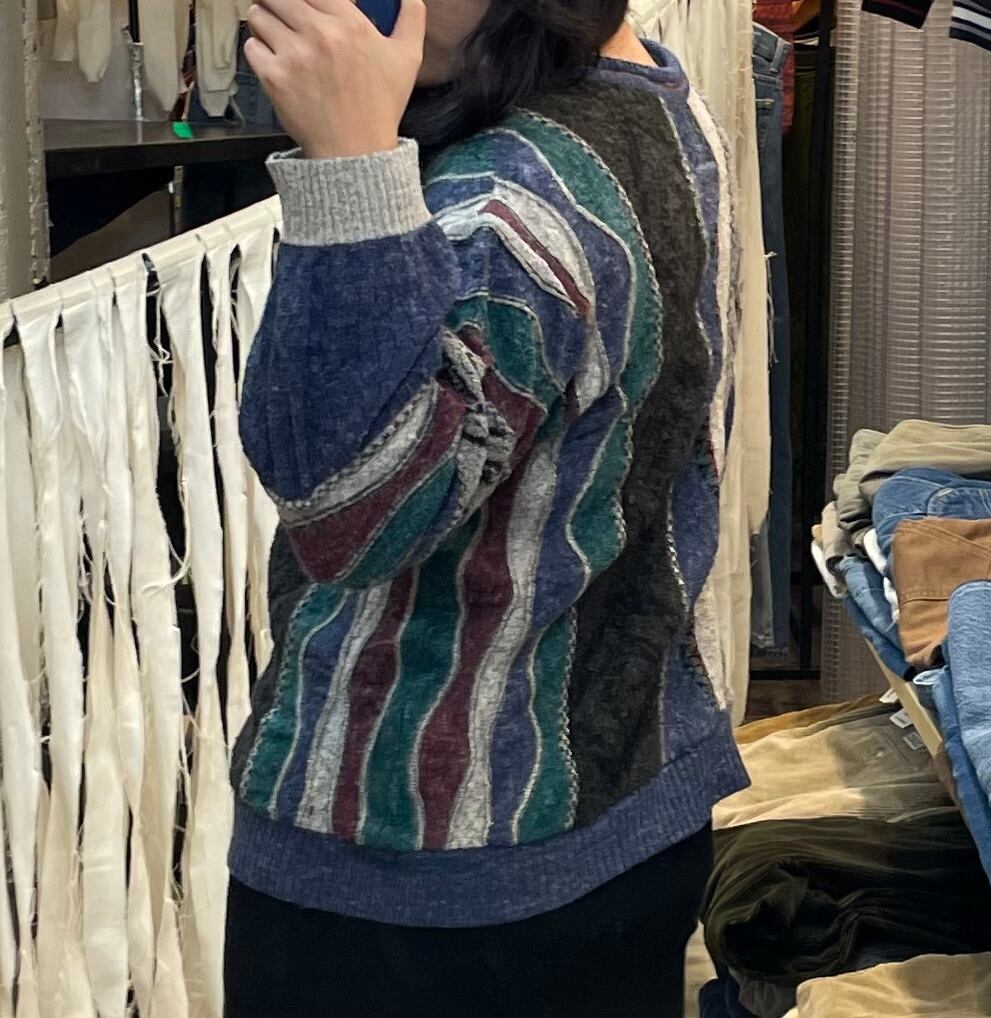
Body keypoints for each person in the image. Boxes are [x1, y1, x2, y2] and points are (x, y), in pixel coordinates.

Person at [227, 0, 749, 1014]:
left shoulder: (508, 204)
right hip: (613, 796)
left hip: (427, 870)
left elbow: (349, 514)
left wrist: (349, 169)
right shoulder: (651, 97)